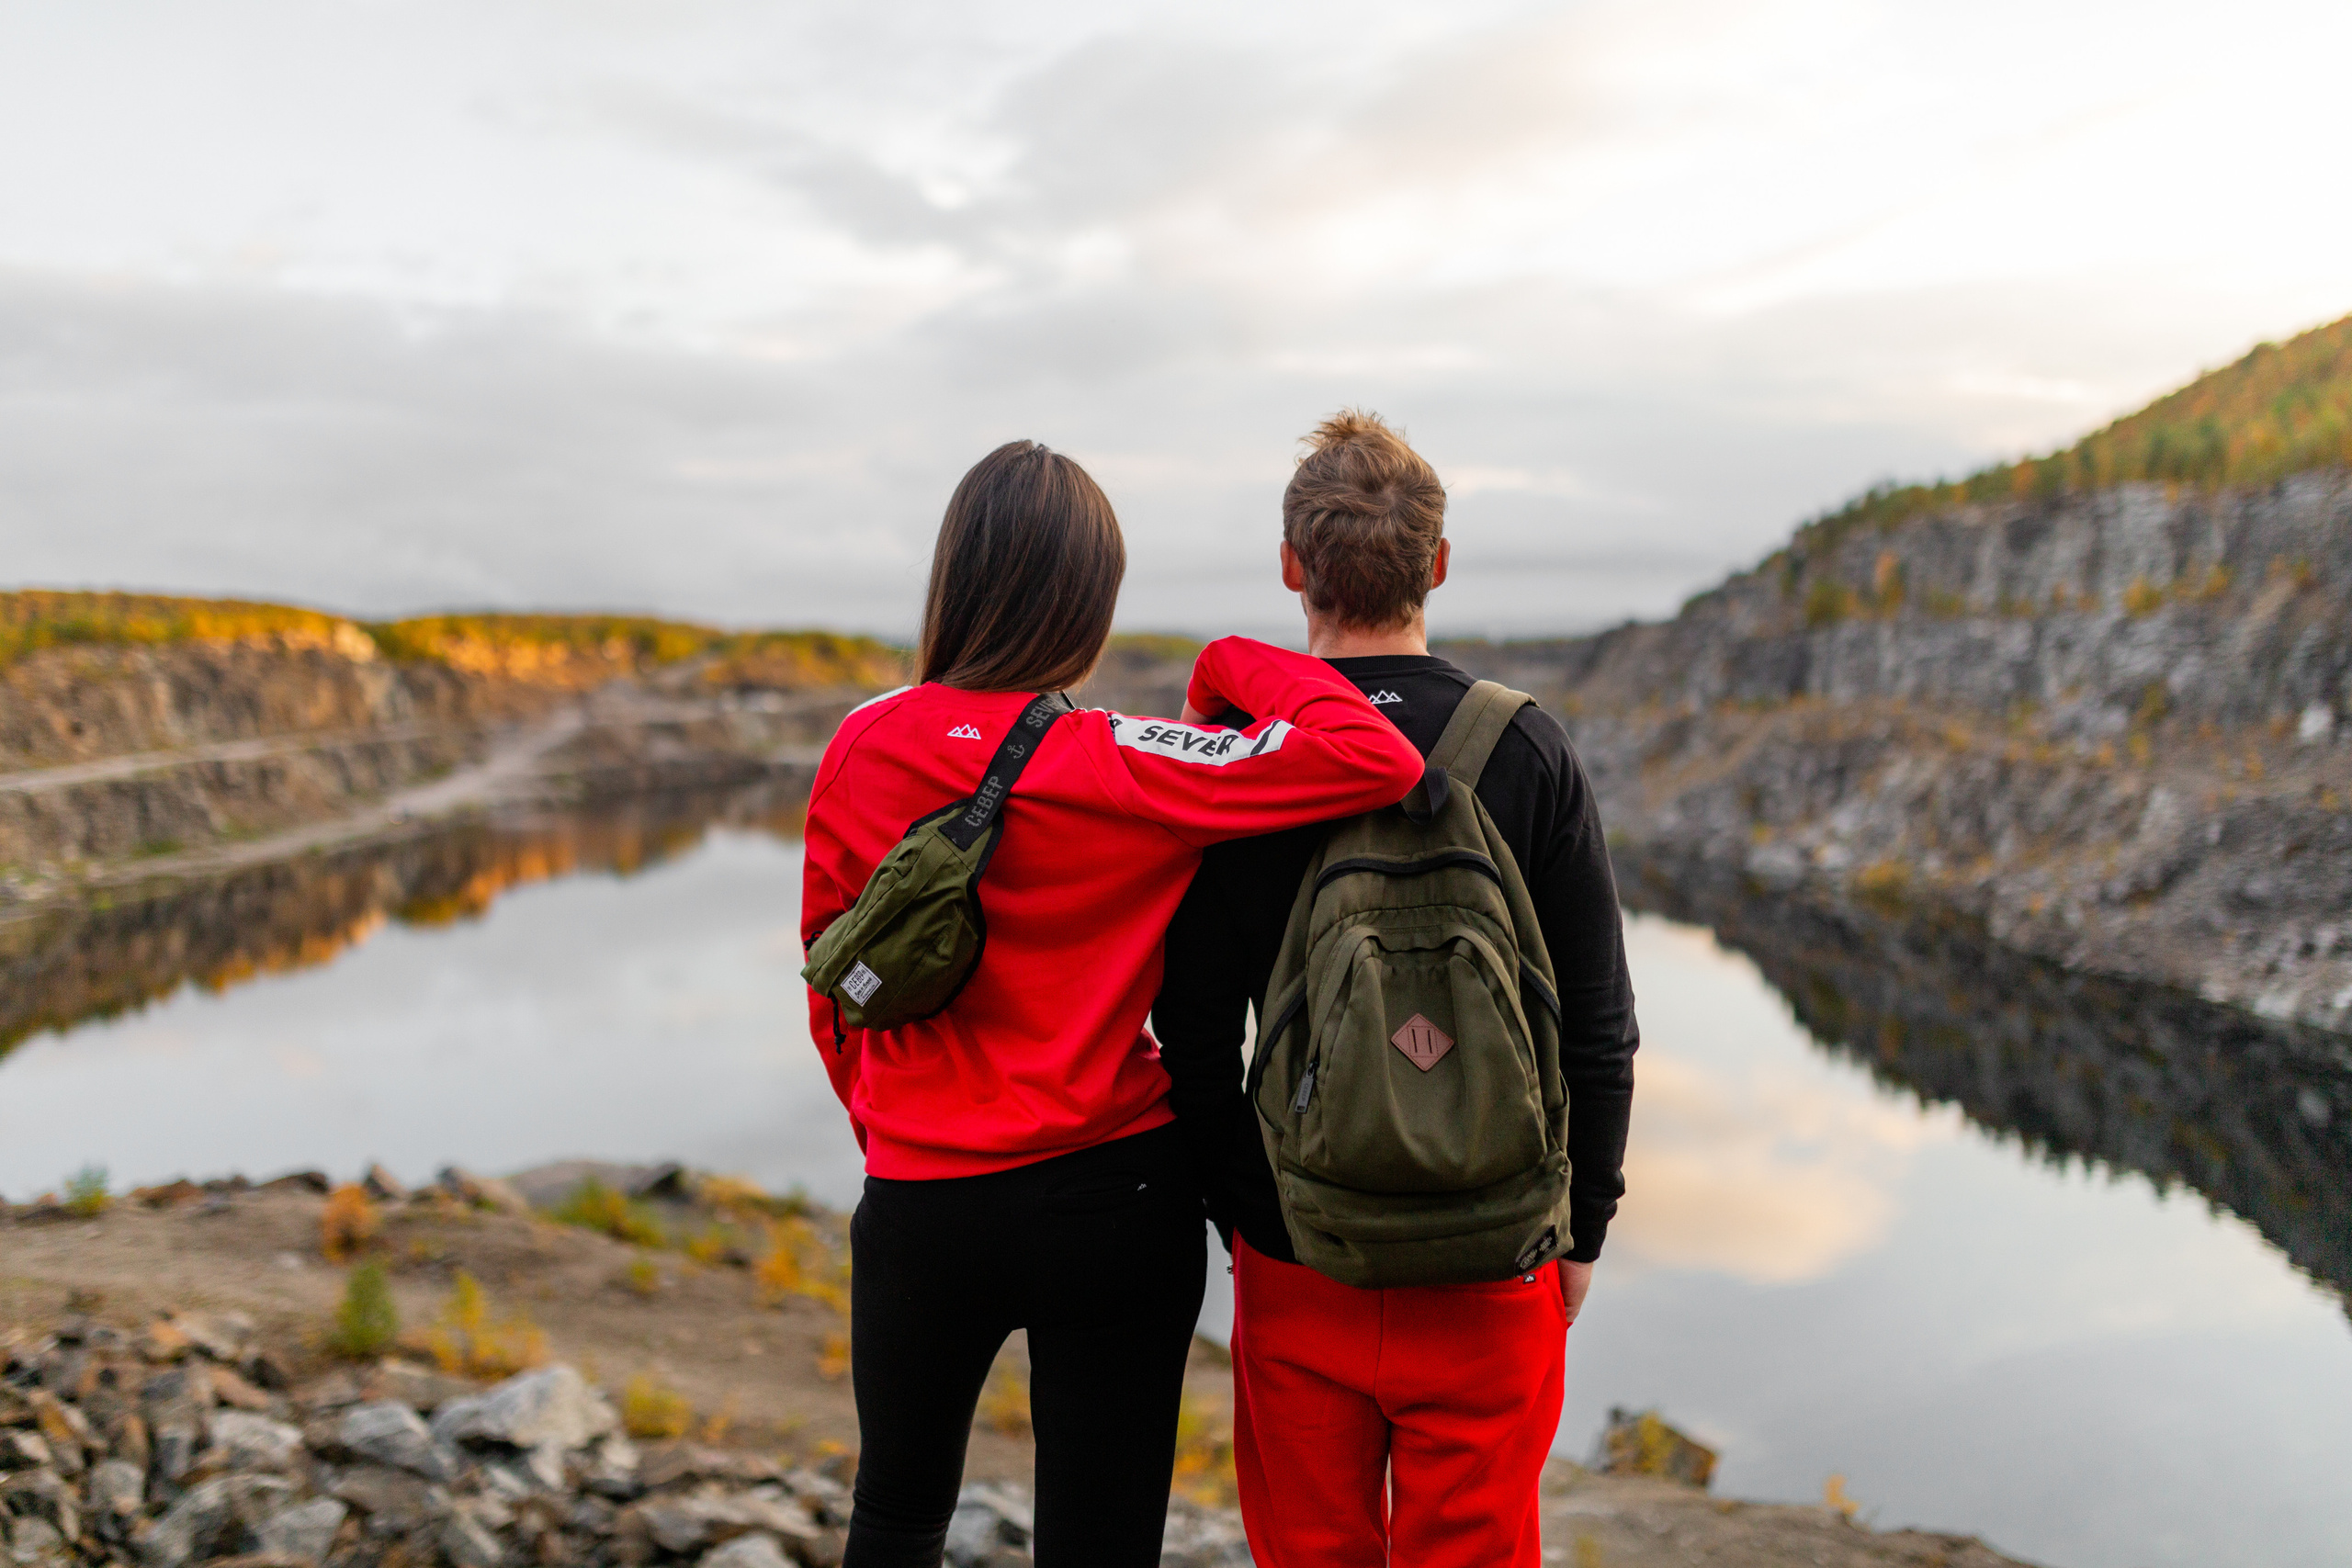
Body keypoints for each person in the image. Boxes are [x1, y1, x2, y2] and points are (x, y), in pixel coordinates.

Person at [800, 439, 1426, 1568]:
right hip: (1114, 1195)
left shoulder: (860, 746)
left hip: (921, 1199)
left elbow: (830, 981)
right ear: (1092, 600)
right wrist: (1230, 656)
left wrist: (896, 1132)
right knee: (1100, 1544)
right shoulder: (1120, 756)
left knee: (893, 1515)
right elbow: (1370, 756)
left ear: (955, 576)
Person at [1153, 411, 1640, 1568]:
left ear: (1291, 571)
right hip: (1491, 1266)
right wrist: (1582, 1230)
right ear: (1437, 565)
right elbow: (1600, 1031)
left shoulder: (1244, 758)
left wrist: (1252, 1217)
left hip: (1301, 1251)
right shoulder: (1525, 751)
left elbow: (1192, 1030)